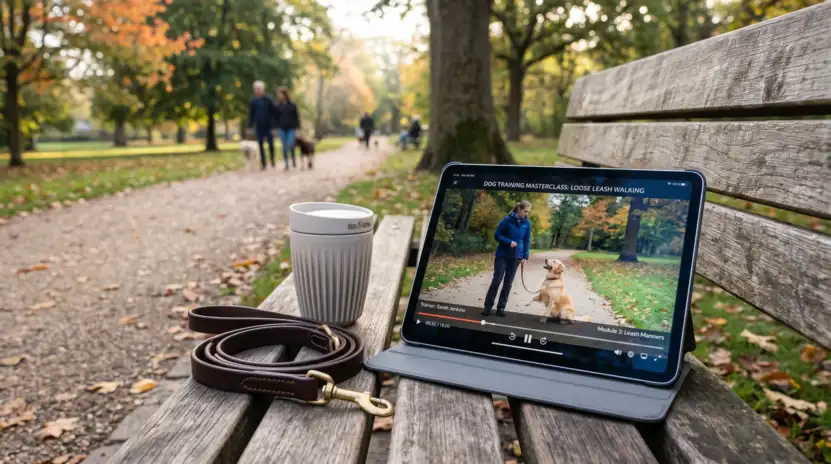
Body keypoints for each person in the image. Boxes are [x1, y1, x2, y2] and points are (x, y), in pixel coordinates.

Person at [483, 201, 532, 317]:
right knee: (497, 280)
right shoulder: (507, 220)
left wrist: (525, 256)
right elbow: (497, 235)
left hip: (516, 257)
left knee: (508, 283)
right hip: (503, 255)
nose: (526, 214)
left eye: (528, 212)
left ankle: (501, 308)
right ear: (519, 209)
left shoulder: (527, 223)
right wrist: (508, 242)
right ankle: (488, 307)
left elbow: (526, 240)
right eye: (525, 211)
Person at [247, 81, 276, 170]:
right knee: (260, 145)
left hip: (269, 126)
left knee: (271, 143)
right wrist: (250, 126)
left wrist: (274, 127)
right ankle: (263, 163)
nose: (258, 90)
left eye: (259, 88)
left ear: (263, 89)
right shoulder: (253, 101)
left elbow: (274, 113)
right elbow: (251, 114)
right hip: (259, 126)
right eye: (256, 89)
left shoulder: (269, 99)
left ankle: (272, 158)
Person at [274, 88, 300, 171]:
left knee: (291, 144)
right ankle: (286, 164)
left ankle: (293, 158)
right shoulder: (278, 106)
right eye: (278, 94)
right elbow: (276, 118)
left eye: (280, 94)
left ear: (285, 94)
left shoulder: (293, 105)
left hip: (291, 128)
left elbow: (296, 118)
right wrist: (275, 128)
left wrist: (298, 129)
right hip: (282, 128)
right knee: (284, 147)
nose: (279, 96)